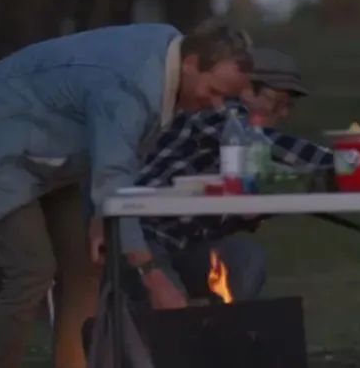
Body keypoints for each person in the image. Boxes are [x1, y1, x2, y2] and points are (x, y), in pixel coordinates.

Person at [0, 21, 254, 368]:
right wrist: (151, 273)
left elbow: (115, 156)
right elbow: (114, 173)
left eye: (225, 98)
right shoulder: (130, 86)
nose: (216, 106)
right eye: (214, 92)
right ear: (194, 62)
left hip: (52, 148)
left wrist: (100, 217)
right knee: (32, 269)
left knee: (84, 267)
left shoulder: (167, 59)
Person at [133, 48, 333, 303]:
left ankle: (226, 333)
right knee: (171, 313)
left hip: (185, 245)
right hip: (141, 240)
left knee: (246, 258)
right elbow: (281, 147)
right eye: (280, 103)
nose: (284, 114)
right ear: (247, 91)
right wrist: (350, 164)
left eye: (289, 107)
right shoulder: (214, 114)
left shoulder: (247, 148)